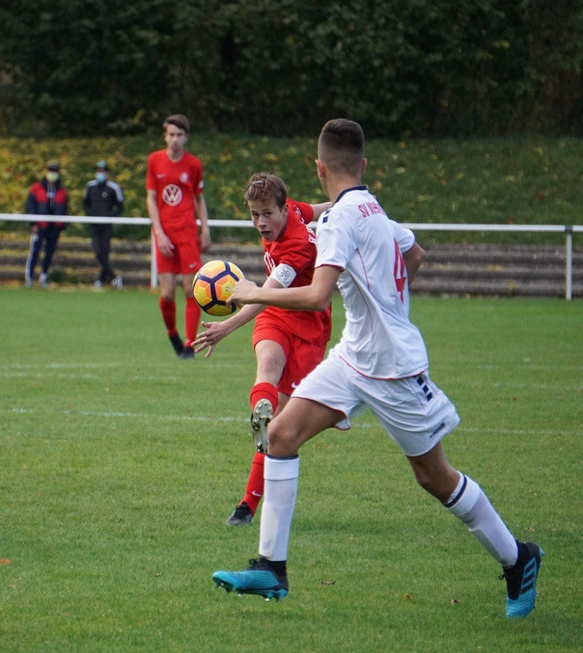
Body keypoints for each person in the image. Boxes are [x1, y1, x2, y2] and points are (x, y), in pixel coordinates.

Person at [211, 119, 543, 618]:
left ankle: (520, 558)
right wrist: (387, 300)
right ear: (363, 166)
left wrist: (253, 291)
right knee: (280, 435)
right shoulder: (374, 210)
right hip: (352, 357)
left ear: (319, 169)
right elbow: (416, 253)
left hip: (393, 367)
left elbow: (319, 294)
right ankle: (270, 567)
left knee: (435, 477)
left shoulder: (341, 220)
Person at [193, 173, 331, 526]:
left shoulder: (297, 246)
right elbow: (319, 207)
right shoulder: (295, 210)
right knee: (267, 364)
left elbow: (264, 293)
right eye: (254, 214)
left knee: (281, 428)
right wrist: (349, 204)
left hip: (308, 328)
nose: (260, 223)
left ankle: (248, 501)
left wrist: (227, 325)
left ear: (283, 209)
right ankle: (260, 417)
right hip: (276, 316)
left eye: (267, 214)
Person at [146, 114, 211, 359]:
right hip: (165, 234)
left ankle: (189, 344)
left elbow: (198, 198)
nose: (175, 140)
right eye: (171, 134)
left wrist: (205, 228)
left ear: (186, 137)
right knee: (167, 293)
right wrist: (159, 232)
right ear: (165, 136)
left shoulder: (193, 164)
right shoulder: (154, 160)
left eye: (179, 135)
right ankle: (172, 332)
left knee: (190, 289)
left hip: (187, 233)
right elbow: (151, 198)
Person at [82, 160, 125, 289]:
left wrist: (110, 215)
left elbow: (120, 206)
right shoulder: (90, 186)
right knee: (97, 250)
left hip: (106, 225)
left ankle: (101, 279)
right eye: (98, 171)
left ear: (107, 173)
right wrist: (91, 215)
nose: (100, 174)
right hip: (94, 224)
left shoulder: (113, 187)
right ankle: (112, 277)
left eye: (103, 171)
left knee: (104, 251)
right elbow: (85, 204)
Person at [25, 161, 68, 287]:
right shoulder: (36, 188)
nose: (52, 174)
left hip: (54, 227)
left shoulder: (61, 191)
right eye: (50, 171)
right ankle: (29, 276)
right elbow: (30, 206)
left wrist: (62, 224)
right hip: (40, 226)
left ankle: (44, 275)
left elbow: (64, 208)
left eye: (55, 171)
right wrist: (33, 223)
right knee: (35, 251)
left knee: (49, 252)